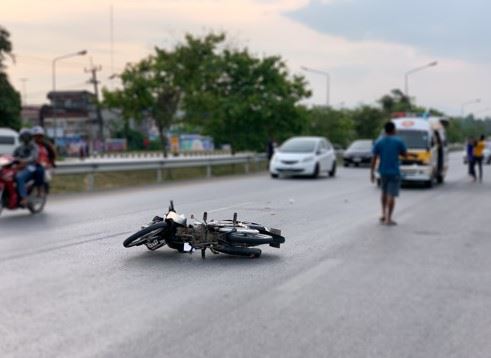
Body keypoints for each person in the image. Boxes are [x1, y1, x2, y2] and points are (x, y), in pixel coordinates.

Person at [370, 121, 407, 226]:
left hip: (382, 171)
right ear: (393, 130)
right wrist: (398, 152)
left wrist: (372, 172)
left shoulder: (379, 142)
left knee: (384, 193)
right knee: (391, 195)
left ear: (385, 130)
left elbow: (374, 158)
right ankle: (388, 219)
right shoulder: (398, 141)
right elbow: (404, 154)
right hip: (394, 172)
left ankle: (383, 214)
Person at [13, 128, 39, 207]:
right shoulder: (20, 147)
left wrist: (24, 161)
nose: (24, 138)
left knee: (20, 177)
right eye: (23, 136)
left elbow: (34, 157)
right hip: (19, 166)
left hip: (30, 166)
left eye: (26, 136)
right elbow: (13, 155)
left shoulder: (34, 146)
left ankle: (24, 198)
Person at [31, 126, 56, 195]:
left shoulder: (47, 145)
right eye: (35, 136)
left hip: (45, 164)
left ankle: (42, 188)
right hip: (32, 163)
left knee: (44, 174)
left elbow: (53, 155)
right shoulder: (30, 145)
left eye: (39, 136)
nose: (37, 138)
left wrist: (50, 163)